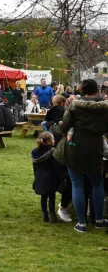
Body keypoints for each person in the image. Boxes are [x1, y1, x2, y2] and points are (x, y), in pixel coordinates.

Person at [54, 79, 108, 233]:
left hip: (75, 147)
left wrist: (58, 128)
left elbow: (65, 125)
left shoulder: (75, 106)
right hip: (95, 147)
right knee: (97, 184)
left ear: (82, 91)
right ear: (97, 90)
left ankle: (82, 223)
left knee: (77, 184)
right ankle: (99, 220)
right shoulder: (105, 108)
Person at [31, 131, 64, 223]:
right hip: (51, 177)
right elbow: (57, 166)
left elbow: (34, 167)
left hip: (40, 177)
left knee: (43, 197)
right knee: (51, 197)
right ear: (49, 142)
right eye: (53, 139)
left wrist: (36, 177)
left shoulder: (35, 152)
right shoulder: (53, 152)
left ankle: (45, 214)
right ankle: (52, 215)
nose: (54, 140)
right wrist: (61, 177)